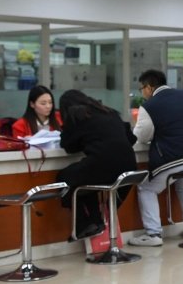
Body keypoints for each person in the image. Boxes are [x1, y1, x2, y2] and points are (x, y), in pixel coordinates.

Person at [130, 69, 183, 246]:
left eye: (141, 89)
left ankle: (153, 234)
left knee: (147, 188)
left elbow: (142, 136)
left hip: (175, 158)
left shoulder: (149, 106)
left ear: (149, 87)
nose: (142, 93)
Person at [55, 90, 137, 240]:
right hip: (130, 167)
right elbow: (132, 138)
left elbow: (68, 146)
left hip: (105, 166)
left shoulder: (76, 114)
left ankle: (83, 224)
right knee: (86, 181)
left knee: (64, 177)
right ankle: (95, 222)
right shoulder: (109, 111)